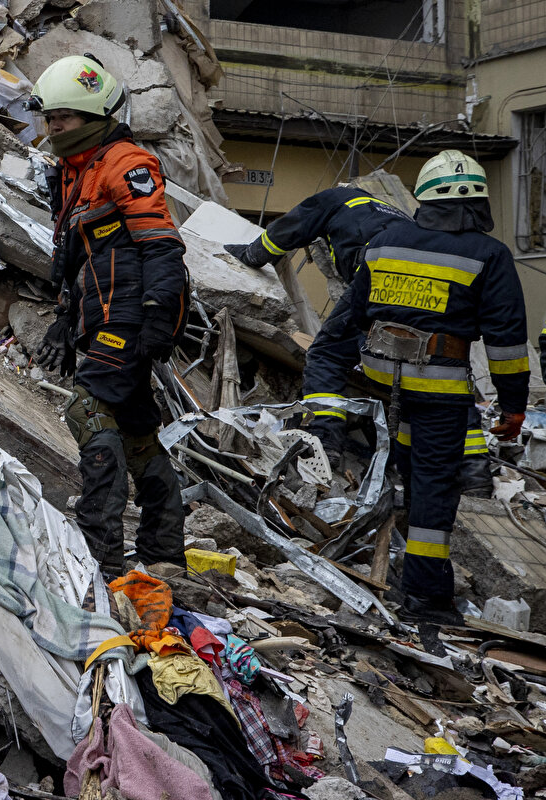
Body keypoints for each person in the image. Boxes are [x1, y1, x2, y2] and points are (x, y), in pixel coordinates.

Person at [345, 150, 528, 625]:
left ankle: (387, 561)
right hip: (439, 393)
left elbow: (358, 313)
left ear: (424, 196)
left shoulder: (386, 241)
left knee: (400, 466)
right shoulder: (490, 255)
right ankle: (425, 599)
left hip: (381, 385)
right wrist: (513, 407)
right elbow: (506, 344)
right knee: (433, 489)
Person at [30, 53, 188, 576]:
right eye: (50, 117)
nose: (55, 126)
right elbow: (78, 262)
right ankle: (164, 553)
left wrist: (158, 320)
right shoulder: (74, 172)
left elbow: (161, 247)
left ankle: (103, 558)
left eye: (65, 117)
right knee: (137, 429)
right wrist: (62, 318)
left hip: (129, 319)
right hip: (101, 317)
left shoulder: (127, 162)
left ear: (95, 116)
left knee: (88, 412)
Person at [226, 190, 493, 496]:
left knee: (328, 354)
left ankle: (325, 442)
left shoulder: (335, 199)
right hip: (433, 290)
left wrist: (250, 255)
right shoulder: (397, 216)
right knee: (443, 369)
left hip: (382, 280)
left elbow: (285, 233)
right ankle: (475, 473)